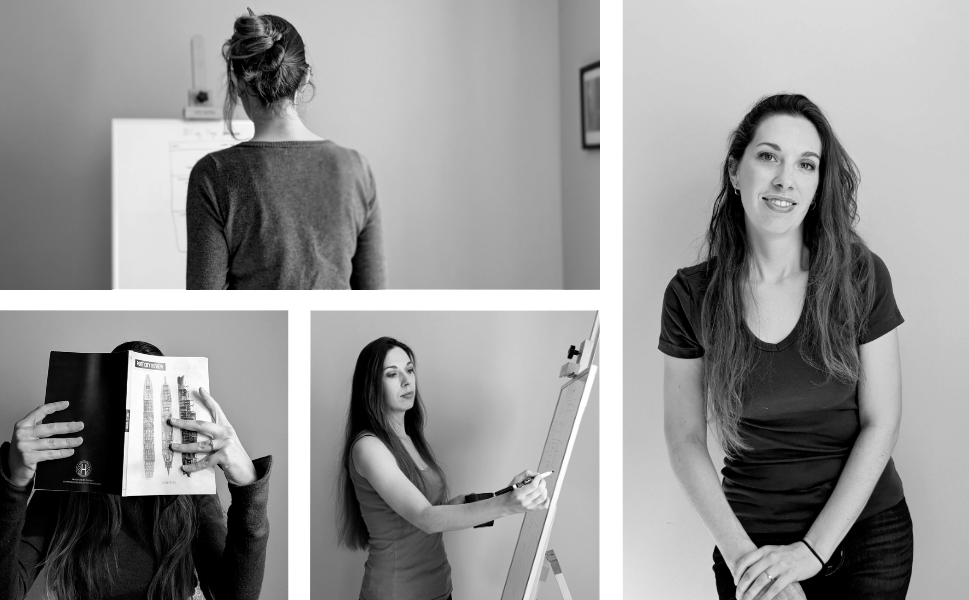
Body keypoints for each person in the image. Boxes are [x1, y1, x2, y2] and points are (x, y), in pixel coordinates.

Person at [660, 94, 911, 600]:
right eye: (768, 156)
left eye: (806, 164)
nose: (784, 179)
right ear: (735, 171)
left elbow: (881, 422)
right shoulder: (691, 295)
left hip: (868, 538)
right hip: (750, 547)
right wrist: (747, 564)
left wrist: (811, 553)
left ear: (818, 185)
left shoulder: (861, 277)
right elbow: (684, 438)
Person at [0, 341, 272, 600]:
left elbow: (235, 595)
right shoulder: (65, 479)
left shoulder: (189, 486)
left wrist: (248, 487)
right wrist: (13, 484)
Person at [337, 337, 550, 600]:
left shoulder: (410, 439)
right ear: (370, 386)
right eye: (392, 374)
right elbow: (426, 518)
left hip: (439, 587)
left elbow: (441, 509)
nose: (407, 381)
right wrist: (508, 504)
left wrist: (507, 493)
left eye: (410, 370)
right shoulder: (368, 447)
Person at [187, 10, 386, 290]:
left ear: (237, 82)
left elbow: (204, 303)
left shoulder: (213, 174)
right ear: (305, 78)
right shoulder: (356, 168)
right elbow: (374, 299)